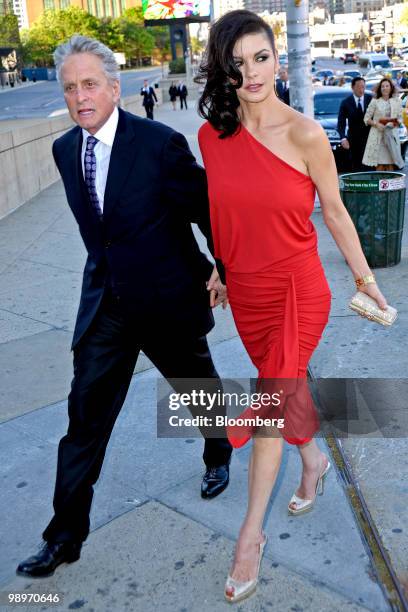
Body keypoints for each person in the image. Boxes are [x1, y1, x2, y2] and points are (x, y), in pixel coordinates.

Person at [16, 35, 232, 579]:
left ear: (115, 88)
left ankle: (218, 452)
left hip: (166, 300)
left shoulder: (160, 145)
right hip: (106, 307)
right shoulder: (65, 151)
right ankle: (63, 537)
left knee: (197, 388)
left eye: (90, 84)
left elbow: (207, 208)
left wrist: (221, 267)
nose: (79, 96)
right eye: (70, 88)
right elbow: (102, 235)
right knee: (83, 420)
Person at [197, 10, 388, 603]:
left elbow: (334, 212)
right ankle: (313, 464)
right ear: (223, 71)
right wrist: (218, 268)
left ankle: (249, 537)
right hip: (249, 292)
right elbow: (225, 214)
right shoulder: (212, 136)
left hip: (298, 289)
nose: (252, 73)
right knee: (286, 390)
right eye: (238, 63)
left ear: (277, 58)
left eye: (261, 57)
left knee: (271, 402)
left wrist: (365, 279)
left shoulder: (305, 133)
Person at [362, 77, 404, 171]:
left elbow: (400, 119)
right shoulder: (375, 101)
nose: (385, 88)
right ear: (380, 89)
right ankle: (379, 185)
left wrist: (394, 124)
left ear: (391, 88)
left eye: (387, 86)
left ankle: (391, 185)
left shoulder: (397, 101)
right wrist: (376, 124)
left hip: (391, 137)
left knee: (390, 165)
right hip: (378, 137)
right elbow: (366, 118)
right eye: (382, 86)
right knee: (380, 165)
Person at [337, 76, 373, 172]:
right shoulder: (346, 103)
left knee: (369, 168)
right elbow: (341, 123)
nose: (361, 90)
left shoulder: (371, 99)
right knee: (356, 167)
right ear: (352, 88)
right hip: (353, 140)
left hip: (369, 139)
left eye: (363, 87)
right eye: (358, 87)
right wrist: (343, 138)